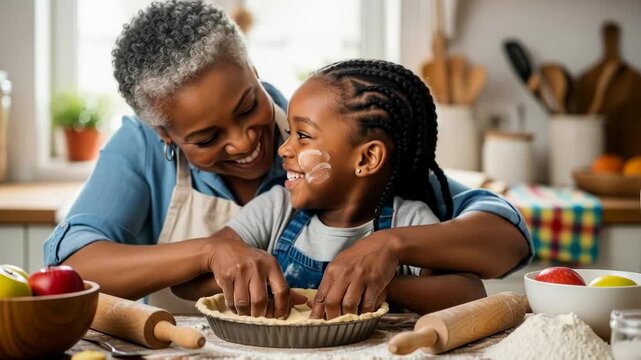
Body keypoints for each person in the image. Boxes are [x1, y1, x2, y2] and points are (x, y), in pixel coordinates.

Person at [43, 0, 531, 318]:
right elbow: (72, 268)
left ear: (253, 70)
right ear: (163, 133)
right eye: (208, 137)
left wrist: (391, 247)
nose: (246, 143)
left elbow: (504, 239)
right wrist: (208, 250)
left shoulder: (331, 136)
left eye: (248, 106)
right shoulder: (143, 149)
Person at [172, 59, 488, 318]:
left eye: (303, 136)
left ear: (366, 158)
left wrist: (380, 287)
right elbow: (187, 280)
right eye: (289, 132)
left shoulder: (408, 219)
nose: (284, 149)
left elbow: (470, 294)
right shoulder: (277, 208)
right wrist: (246, 279)